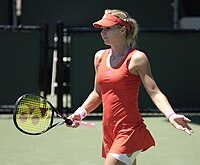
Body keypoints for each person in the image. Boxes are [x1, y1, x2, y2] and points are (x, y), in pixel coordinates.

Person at [66, 9, 194, 165]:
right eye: (101, 28)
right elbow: (98, 93)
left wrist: (171, 115)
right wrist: (79, 113)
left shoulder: (137, 58)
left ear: (122, 30)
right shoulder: (99, 57)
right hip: (109, 130)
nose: (102, 32)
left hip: (129, 130)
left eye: (108, 28)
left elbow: (154, 92)